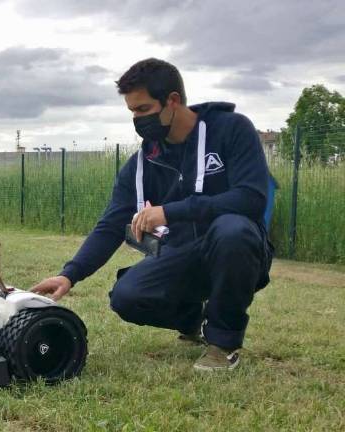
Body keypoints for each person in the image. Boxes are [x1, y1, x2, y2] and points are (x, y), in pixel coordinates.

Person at [31, 58, 273, 371]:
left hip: (238, 250)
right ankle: (197, 318)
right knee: (127, 296)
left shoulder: (231, 129)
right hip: (183, 255)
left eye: (143, 110)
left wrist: (171, 212)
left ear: (172, 101)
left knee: (232, 230)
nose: (137, 119)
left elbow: (251, 198)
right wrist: (70, 274)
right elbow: (111, 224)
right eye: (132, 111)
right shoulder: (142, 163)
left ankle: (223, 343)